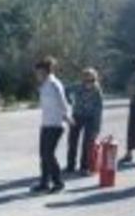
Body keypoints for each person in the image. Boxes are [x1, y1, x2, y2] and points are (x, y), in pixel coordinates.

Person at [32, 57, 72, 193]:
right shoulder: (44, 85)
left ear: (45, 71)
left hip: (56, 124)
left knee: (48, 154)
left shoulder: (55, 84)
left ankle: (58, 183)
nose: (36, 75)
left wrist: (66, 116)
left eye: (38, 72)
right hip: (46, 124)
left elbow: (63, 101)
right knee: (43, 155)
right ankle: (44, 183)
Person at [66, 68, 104, 174]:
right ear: (82, 80)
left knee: (87, 143)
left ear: (95, 80)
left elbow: (99, 109)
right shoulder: (77, 86)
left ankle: (84, 167)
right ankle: (70, 165)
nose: (89, 83)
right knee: (72, 141)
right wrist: (69, 100)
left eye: (92, 80)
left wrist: (97, 127)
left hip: (90, 118)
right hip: (77, 115)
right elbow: (65, 90)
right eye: (86, 81)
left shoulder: (97, 90)